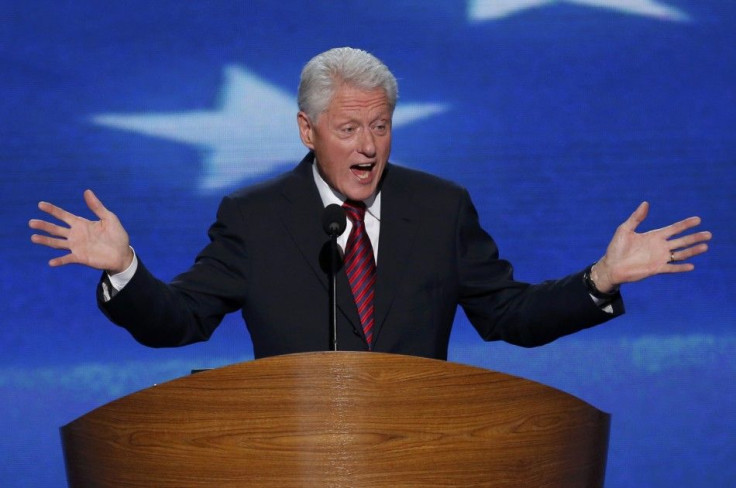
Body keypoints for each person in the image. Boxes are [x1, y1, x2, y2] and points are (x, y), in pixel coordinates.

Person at [29, 47, 711, 360]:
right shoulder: (255, 217)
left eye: (380, 127)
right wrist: (124, 270)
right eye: (349, 128)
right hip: (289, 458)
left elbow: (508, 316)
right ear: (307, 129)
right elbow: (179, 321)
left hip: (419, 456)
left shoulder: (441, 207)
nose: (368, 146)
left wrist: (601, 279)